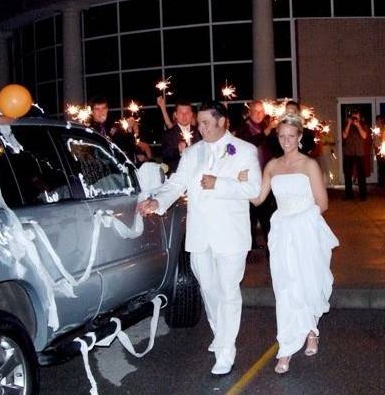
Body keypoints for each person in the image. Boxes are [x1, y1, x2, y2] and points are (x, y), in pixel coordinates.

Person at [136, 101, 262, 375]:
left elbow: (253, 189)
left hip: (231, 235)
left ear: (222, 122)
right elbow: (176, 183)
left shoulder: (244, 150)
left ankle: (226, 349)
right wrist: (157, 202)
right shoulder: (192, 153)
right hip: (200, 234)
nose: (199, 127)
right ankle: (221, 336)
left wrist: (220, 183)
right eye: (199, 122)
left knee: (229, 292)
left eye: (205, 122)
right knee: (208, 290)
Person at [237, 112, 337, 374]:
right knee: (284, 286)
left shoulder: (309, 165)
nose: (286, 141)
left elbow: (322, 203)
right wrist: (240, 182)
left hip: (305, 228)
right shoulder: (272, 165)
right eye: (281, 136)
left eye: (291, 136)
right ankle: (286, 346)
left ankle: (311, 330)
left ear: (299, 137)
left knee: (307, 282)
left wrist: (302, 220)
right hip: (281, 230)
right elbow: (258, 199)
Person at [235, 100, 281, 250]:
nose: (259, 114)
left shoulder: (266, 126)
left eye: (262, 111)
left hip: (266, 177)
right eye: (256, 111)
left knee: (266, 215)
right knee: (250, 216)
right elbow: (249, 143)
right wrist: (268, 130)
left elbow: (275, 148)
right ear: (249, 112)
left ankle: (270, 246)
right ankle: (249, 246)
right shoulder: (244, 128)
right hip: (249, 178)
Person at [161, 100, 201, 174]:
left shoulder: (199, 132)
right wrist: (178, 151)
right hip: (177, 173)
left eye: (187, 113)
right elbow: (166, 156)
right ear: (176, 114)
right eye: (181, 113)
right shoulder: (169, 134)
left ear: (191, 114)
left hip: (197, 172)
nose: (184, 116)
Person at [342, 109, 368, 200]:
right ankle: (349, 195)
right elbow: (344, 135)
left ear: (359, 117)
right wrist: (349, 123)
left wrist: (358, 125)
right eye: (353, 116)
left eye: (357, 116)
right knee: (347, 175)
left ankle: (363, 195)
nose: (355, 118)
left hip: (359, 153)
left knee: (361, 175)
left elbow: (364, 136)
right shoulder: (346, 124)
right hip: (348, 152)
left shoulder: (363, 124)